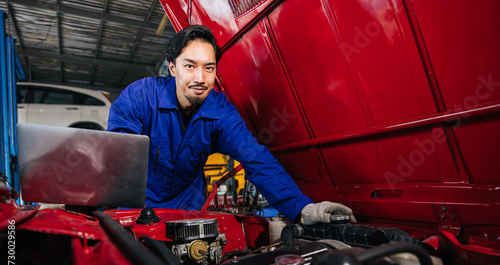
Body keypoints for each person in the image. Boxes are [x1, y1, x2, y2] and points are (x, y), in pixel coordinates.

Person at [107, 25, 355, 225]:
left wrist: (302, 210)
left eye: (209, 68)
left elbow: (257, 160)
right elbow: (117, 158)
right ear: (173, 68)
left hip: (186, 207)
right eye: (190, 66)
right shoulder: (139, 98)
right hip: (136, 202)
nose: (199, 78)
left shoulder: (221, 112)